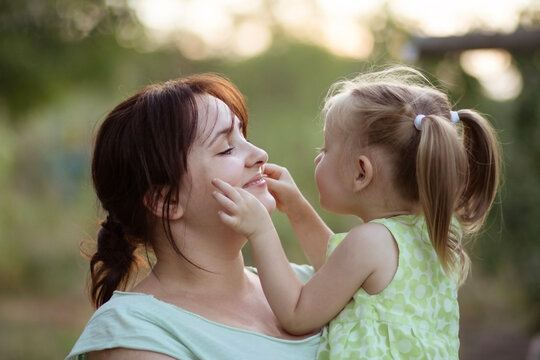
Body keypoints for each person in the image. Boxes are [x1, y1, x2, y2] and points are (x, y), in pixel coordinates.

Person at [212, 66, 501, 359]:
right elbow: (337, 274)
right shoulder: (431, 233)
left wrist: (261, 230)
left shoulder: (371, 242)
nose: (317, 158)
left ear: (361, 172)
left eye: (325, 149)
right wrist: (298, 209)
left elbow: (297, 314)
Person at [66, 74, 327, 360]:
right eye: (227, 148)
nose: (260, 154)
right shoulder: (138, 335)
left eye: (244, 136)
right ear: (166, 200)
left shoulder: (312, 283)